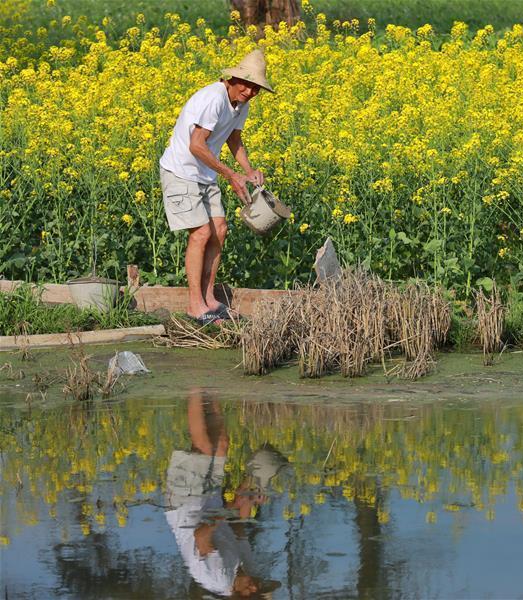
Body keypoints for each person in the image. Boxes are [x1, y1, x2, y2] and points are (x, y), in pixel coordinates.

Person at [159, 49, 274, 326]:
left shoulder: (241, 104)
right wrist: (231, 175)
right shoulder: (214, 98)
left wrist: (249, 171)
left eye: (255, 88)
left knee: (219, 229)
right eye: (246, 84)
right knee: (201, 233)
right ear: (232, 79)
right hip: (181, 172)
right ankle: (194, 306)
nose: (249, 91)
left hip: (205, 174)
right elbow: (196, 145)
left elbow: (234, 139)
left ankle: (209, 299)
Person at [165, 390, 286, 597]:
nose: (255, 586)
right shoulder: (249, 572)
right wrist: (252, 489)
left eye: (250, 593)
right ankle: (213, 388)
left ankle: (194, 383)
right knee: (222, 444)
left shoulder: (218, 577)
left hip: (184, 509)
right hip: (209, 504)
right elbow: (238, 528)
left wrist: (230, 508)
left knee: (203, 447)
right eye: (259, 589)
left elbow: (200, 535)